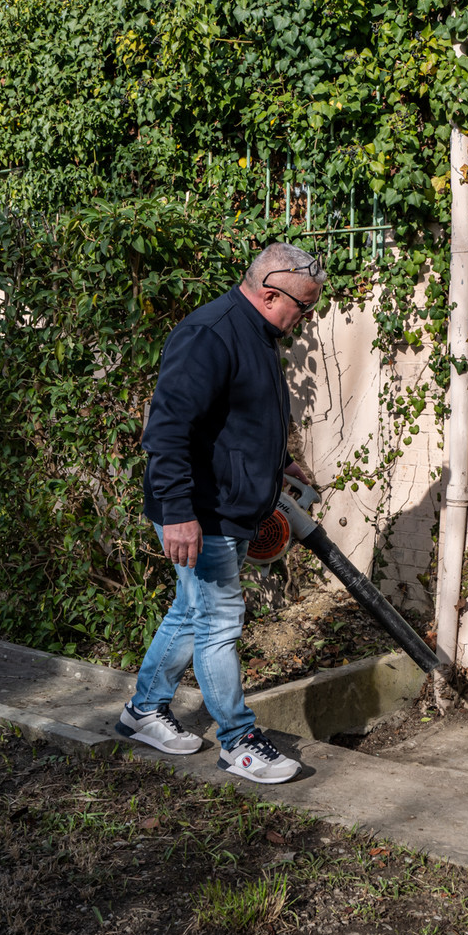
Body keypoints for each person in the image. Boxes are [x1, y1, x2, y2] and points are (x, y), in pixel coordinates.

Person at [113, 243, 326, 784]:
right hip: (200, 511)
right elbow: (166, 431)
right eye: (302, 305)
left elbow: (240, 421)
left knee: (191, 612)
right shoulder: (211, 333)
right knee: (219, 622)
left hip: (224, 506)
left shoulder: (257, 334)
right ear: (270, 293)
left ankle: (142, 711)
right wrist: (180, 512)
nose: (305, 317)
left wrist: (277, 467)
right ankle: (238, 741)